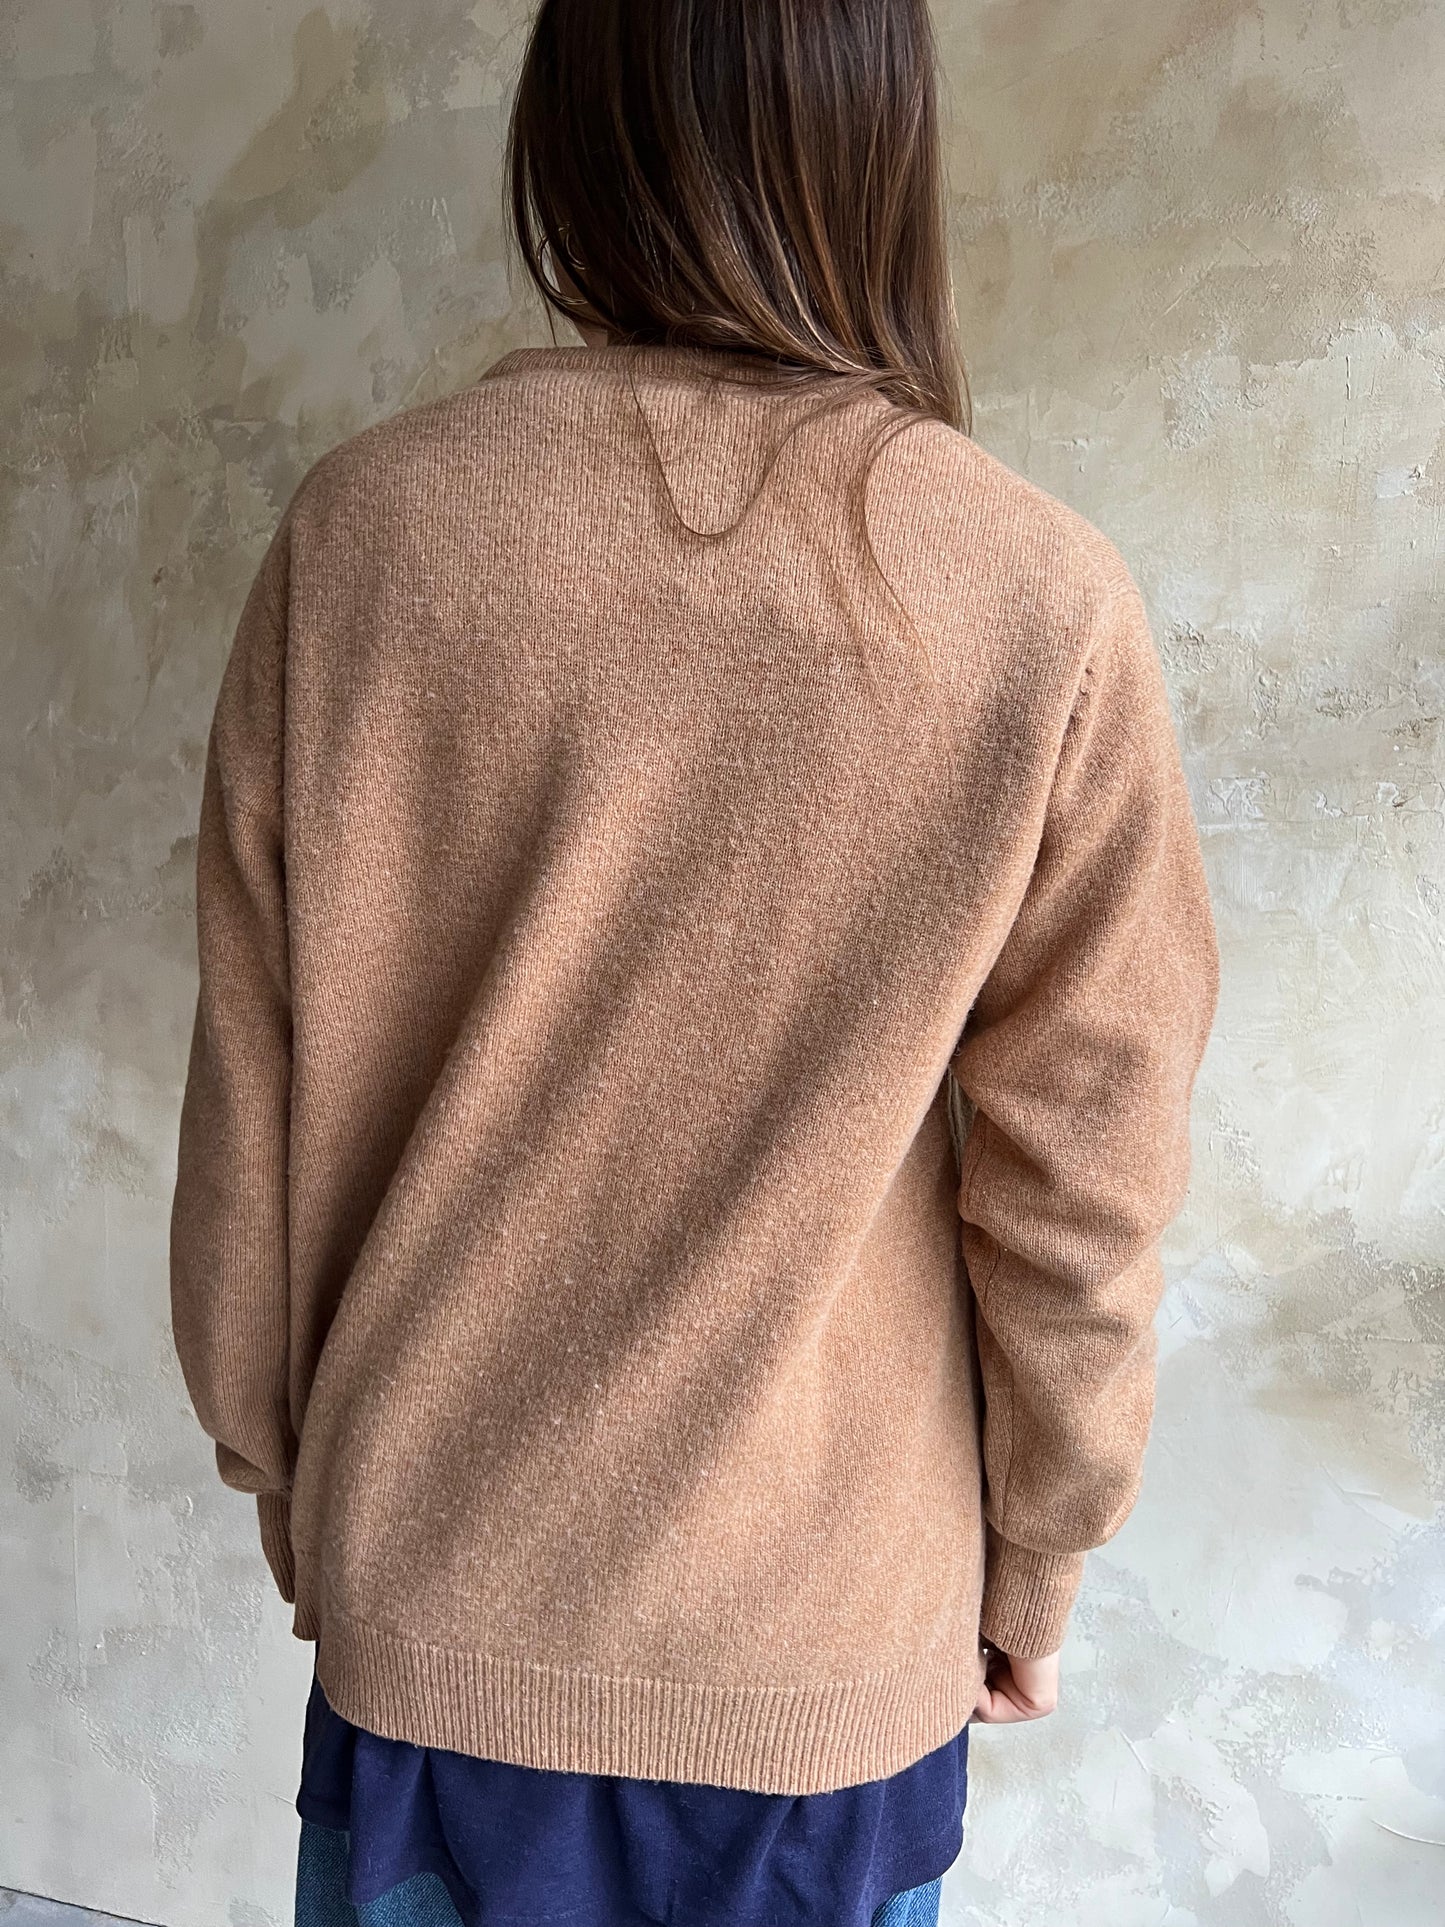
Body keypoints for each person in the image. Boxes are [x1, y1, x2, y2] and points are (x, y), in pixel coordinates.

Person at [167, 1, 1220, 1922]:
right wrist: (1039, 1559)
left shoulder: (367, 536)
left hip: (440, 1590)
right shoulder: (1035, 595)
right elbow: (1085, 1173)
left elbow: (258, 1090)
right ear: (883, 149)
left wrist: (295, 1484)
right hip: (823, 1647)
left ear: (567, 136)